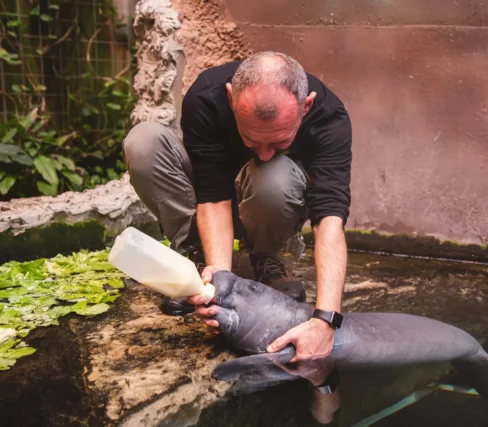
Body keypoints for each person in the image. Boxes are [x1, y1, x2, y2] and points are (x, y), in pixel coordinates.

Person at [122, 51, 352, 361]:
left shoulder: (329, 117)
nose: (265, 152)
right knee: (144, 143)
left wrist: (326, 321)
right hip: (216, 203)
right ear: (231, 99)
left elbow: (329, 220)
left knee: (273, 172)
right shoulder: (206, 96)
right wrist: (220, 292)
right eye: (251, 138)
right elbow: (213, 196)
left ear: (305, 106)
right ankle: (198, 263)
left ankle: (267, 259)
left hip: (269, 203)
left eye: (280, 142)